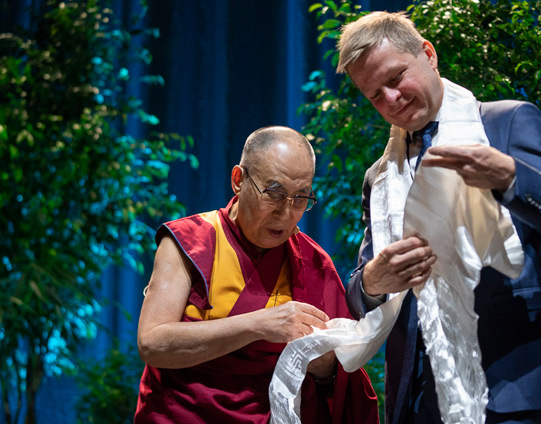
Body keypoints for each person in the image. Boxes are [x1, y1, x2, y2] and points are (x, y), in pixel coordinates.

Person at [338, 12, 541, 424]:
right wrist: (374, 281)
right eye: (375, 95)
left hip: (506, 388)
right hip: (417, 399)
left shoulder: (504, 125)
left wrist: (512, 179)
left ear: (428, 53)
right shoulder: (380, 176)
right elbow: (358, 293)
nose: (390, 99)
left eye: (395, 79)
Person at [134, 126, 379, 423]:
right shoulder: (189, 243)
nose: (286, 213)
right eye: (274, 194)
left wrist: (325, 366)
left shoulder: (313, 263)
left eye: (301, 198)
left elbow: (338, 380)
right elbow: (152, 343)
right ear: (239, 180)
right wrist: (260, 324)